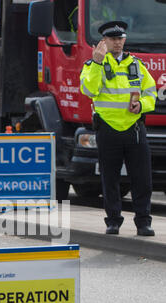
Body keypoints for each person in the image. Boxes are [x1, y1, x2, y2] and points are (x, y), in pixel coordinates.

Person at [80, 21, 157, 236]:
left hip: (134, 128)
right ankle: (113, 221)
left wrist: (142, 105)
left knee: (142, 179)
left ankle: (143, 222)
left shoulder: (136, 64)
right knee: (110, 179)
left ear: (124, 40)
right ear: (103, 42)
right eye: (112, 39)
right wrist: (96, 63)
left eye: (120, 39)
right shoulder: (93, 65)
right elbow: (89, 90)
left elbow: (151, 92)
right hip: (108, 129)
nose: (117, 43)